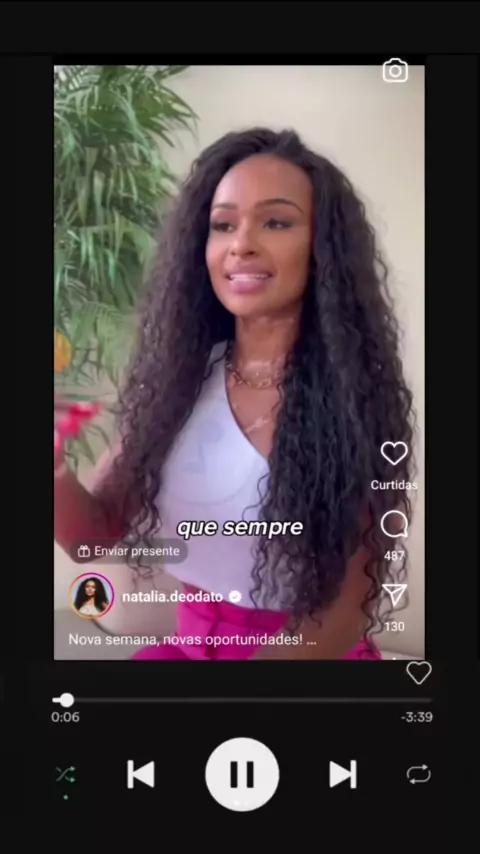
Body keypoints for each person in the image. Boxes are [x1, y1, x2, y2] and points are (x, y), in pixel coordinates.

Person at [55, 127, 415, 660]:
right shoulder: (175, 384)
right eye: (222, 225)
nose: (241, 243)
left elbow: (343, 614)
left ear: (323, 249)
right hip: (189, 650)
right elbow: (93, 538)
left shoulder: (358, 403)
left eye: (276, 222)